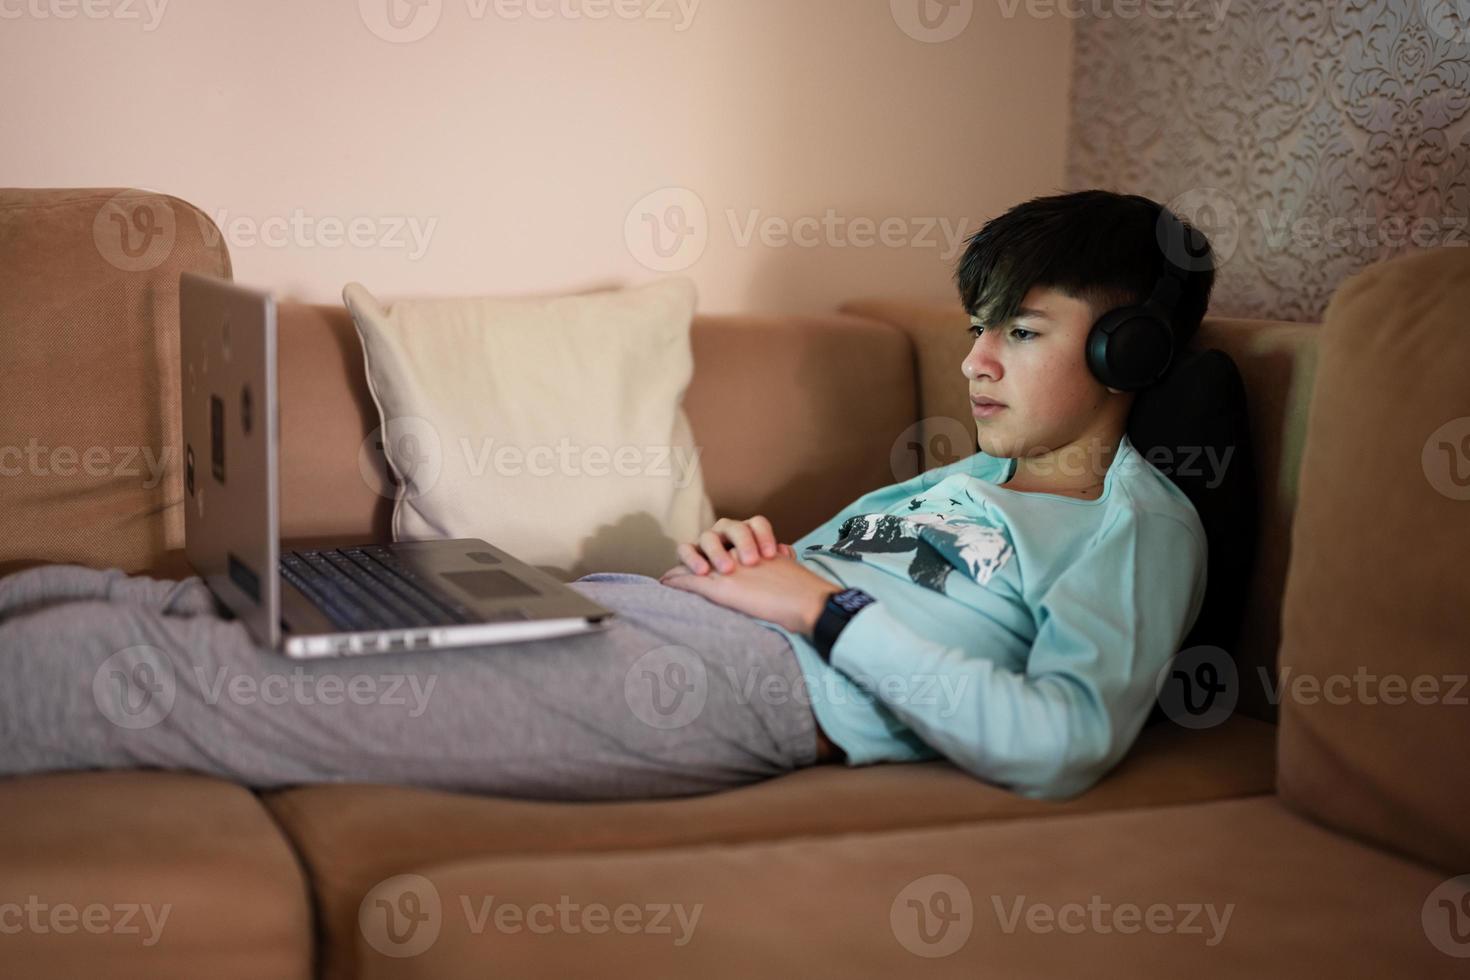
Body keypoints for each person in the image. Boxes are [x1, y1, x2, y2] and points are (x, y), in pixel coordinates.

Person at [0, 189, 1212, 802]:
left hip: (734, 684)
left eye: (1021, 330)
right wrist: (763, 560)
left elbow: (1061, 742)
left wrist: (817, 610)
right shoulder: (966, 474)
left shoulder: (1133, 523)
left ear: (1129, 354)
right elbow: (818, 579)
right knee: (160, 598)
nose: (974, 361)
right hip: (641, 606)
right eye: (976, 329)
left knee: (160, 681)